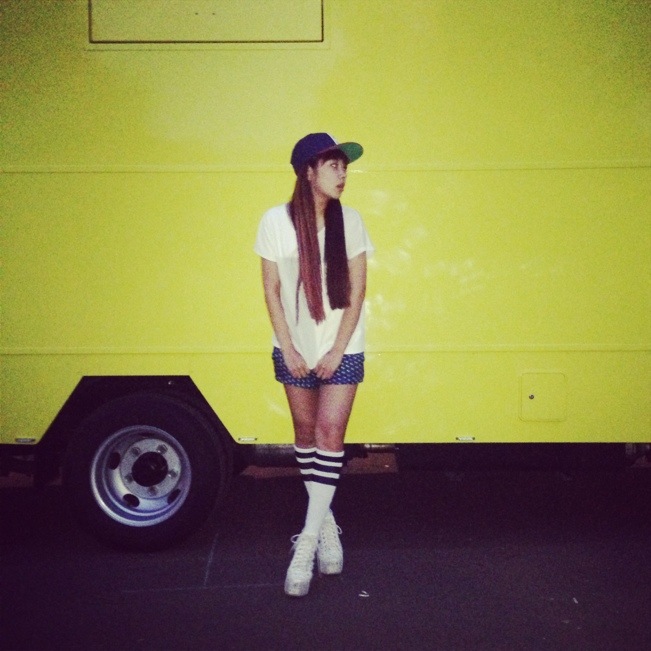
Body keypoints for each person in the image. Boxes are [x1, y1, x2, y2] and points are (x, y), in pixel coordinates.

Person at [254, 133, 374, 597]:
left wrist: (337, 350)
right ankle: (324, 523)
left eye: (345, 167)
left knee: (329, 434)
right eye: (333, 166)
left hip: (342, 345)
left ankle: (305, 541)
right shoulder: (274, 222)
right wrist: (289, 347)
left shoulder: (352, 221)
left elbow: (358, 291)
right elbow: (271, 290)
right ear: (308, 172)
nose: (343, 174)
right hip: (295, 347)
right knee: (305, 434)